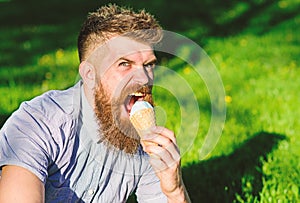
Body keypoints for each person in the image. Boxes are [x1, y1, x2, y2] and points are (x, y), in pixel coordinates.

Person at [0, 4, 191, 203]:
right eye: (124, 64)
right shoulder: (38, 124)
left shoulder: (146, 144)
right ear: (90, 74)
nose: (144, 78)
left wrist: (174, 191)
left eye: (148, 65)